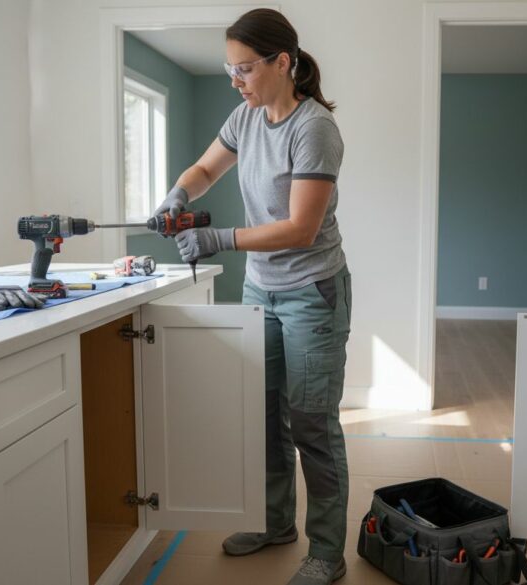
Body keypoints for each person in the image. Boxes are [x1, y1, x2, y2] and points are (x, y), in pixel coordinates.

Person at [153, 8, 351, 585]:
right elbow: (205, 168)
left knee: (311, 421)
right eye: (228, 68)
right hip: (260, 287)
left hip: (312, 291)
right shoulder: (246, 117)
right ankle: (272, 523)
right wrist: (178, 193)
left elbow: (300, 229)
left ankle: (328, 551)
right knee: (263, 415)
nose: (234, 80)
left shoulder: (314, 129)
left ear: (281, 62)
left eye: (243, 68)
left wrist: (220, 238)